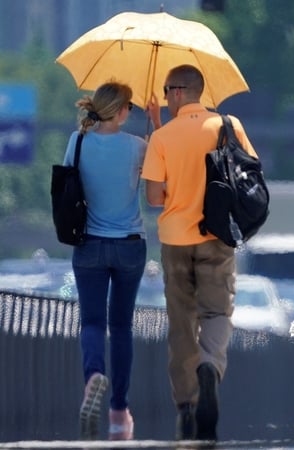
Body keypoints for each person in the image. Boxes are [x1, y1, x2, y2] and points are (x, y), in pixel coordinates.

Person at [142, 64, 258, 441]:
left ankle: (186, 406)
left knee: (181, 323)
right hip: (217, 236)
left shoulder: (162, 138)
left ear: (177, 92)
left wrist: (157, 132)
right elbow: (250, 174)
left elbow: (154, 197)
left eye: (164, 90)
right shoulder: (228, 125)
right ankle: (210, 365)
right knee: (217, 311)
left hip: (176, 240)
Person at [67, 81, 147, 440]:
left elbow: (68, 183)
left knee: (93, 322)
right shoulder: (137, 147)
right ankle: (118, 411)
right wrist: (157, 123)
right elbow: (160, 177)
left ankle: (92, 378)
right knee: (123, 326)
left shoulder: (78, 141)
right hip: (129, 246)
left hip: (89, 245)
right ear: (122, 110)